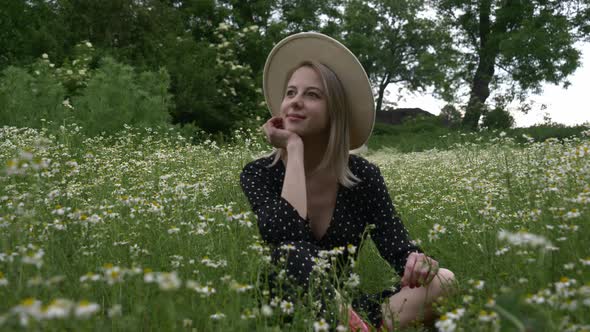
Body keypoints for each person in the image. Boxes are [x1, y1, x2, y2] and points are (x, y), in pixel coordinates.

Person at [240, 32, 455, 331]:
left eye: (312, 95)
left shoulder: (364, 177)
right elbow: (284, 235)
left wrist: (417, 262)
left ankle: (356, 326)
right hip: (289, 306)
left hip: (348, 305)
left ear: (335, 112)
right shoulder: (259, 173)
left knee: (444, 280)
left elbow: (397, 247)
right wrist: (293, 147)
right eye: (290, 93)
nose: (295, 102)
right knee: (292, 252)